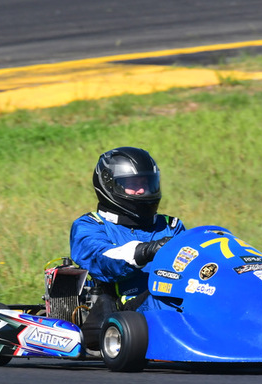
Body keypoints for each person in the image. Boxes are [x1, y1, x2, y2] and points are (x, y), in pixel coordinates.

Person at [70, 146, 186, 351]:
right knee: (164, 302)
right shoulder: (90, 225)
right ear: (110, 185)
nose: (142, 191)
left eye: (146, 184)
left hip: (179, 293)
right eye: (133, 185)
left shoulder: (171, 225)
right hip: (126, 308)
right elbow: (102, 259)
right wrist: (145, 250)